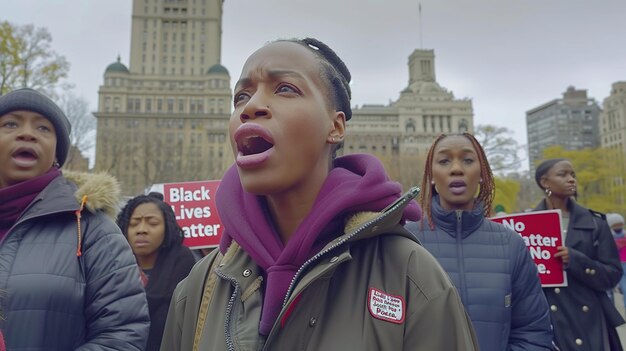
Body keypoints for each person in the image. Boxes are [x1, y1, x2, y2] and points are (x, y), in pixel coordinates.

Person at [161, 38, 478, 351]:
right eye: (240, 96)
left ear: (336, 126)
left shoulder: (412, 277)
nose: (251, 107)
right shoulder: (198, 289)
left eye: (285, 88)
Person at [0, 88, 149, 350]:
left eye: (44, 128)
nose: (27, 133)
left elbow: (122, 334)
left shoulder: (93, 229)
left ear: (57, 152)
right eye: (10, 124)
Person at [406, 133, 554, 351]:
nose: (456, 169)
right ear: (432, 177)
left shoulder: (511, 245)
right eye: (444, 161)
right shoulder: (406, 241)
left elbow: (533, 332)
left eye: (467, 160)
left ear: (482, 174)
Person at [534, 158, 624, 351]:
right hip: (547, 319)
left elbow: (613, 275)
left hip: (588, 319)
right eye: (563, 174)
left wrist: (575, 260)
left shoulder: (595, 223)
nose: (571, 179)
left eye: (573, 175)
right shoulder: (527, 224)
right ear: (544, 182)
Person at [117, 192, 196, 351]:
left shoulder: (183, 262)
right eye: (134, 223)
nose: (142, 230)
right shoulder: (113, 263)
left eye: (152, 223)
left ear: (167, 227)